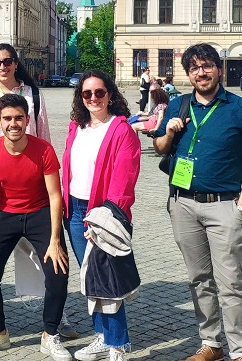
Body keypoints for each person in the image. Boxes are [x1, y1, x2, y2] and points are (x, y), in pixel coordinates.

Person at [152, 43, 242, 361]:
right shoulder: (178, 105)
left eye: (207, 66)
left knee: (230, 281)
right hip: (183, 204)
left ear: (219, 69)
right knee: (199, 279)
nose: (201, 73)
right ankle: (211, 344)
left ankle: (240, 352)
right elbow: (160, 147)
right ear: (188, 74)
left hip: (224, 206)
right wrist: (170, 132)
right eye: (194, 68)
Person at [0, 43, 76, 339]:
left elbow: (43, 136)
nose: (2, 66)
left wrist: (42, 176)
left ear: (16, 63)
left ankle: (56, 314)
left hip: (31, 181)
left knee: (47, 260)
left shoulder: (33, 94)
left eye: (7, 61)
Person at [62, 71, 141, 361]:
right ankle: (102, 336)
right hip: (74, 211)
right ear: (80, 98)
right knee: (90, 278)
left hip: (103, 214)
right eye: (87, 94)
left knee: (107, 280)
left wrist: (102, 219)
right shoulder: (76, 126)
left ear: (110, 94)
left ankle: (118, 344)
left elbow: (124, 180)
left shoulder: (121, 131)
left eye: (99, 92)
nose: (93, 98)